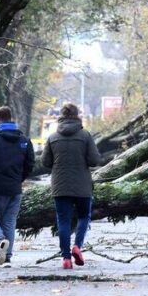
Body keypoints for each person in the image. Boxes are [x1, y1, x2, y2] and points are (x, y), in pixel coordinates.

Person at [41, 102, 101, 269]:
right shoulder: (85, 136)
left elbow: (45, 162)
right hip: (82, 185)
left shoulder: (53, 137)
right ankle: (77, 246)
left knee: (63, 220)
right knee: (84, 216)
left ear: (61, 116)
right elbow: (95, 160)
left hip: (60, 186)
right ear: (77, 116)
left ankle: (66, 258)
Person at [0, 106, 34, 267]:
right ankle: (7, 256)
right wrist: (20, 178)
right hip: (15, 188)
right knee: (9, 221)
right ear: (11, 118)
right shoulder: (24, 140)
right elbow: (30, 163)